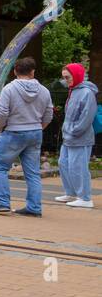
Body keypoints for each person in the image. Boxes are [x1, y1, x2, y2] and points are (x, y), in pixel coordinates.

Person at [0, 57, 54, 216]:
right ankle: (34, 207)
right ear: (32, 72)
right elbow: (49, 113)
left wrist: (1, 127)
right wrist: (40, 127)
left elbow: (1, 112)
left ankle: (2, 202)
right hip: (35, 133)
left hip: (13, 132)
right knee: (32, 172)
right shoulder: (44, 90)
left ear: (15, 71)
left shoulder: (9, 89)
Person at [56, 62, 97, 209]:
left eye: (68, 77)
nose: (66, 81)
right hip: (70, 136)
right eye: (64, 78)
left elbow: (87, 116)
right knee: (63, 163)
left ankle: (85, 198)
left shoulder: (86, 92)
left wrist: (73, 131)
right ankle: (71, 193)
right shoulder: (74, 90)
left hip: (79, 137)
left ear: (76, 75)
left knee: (78, 167)